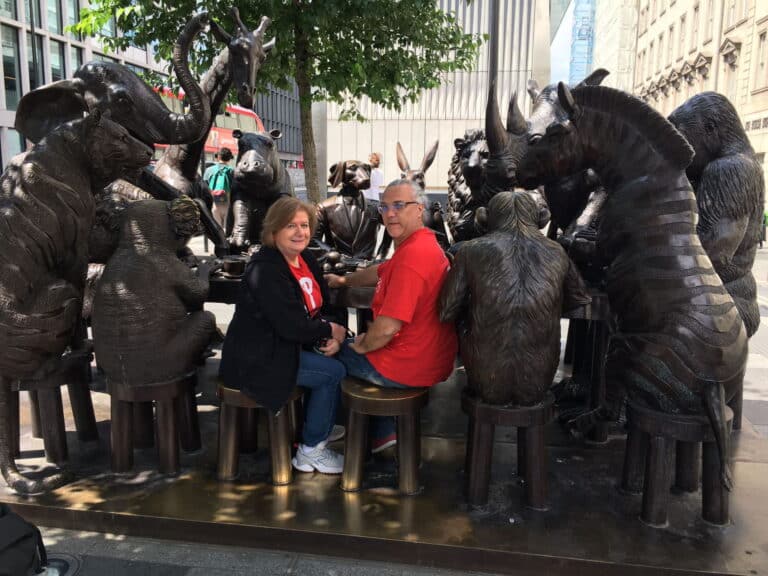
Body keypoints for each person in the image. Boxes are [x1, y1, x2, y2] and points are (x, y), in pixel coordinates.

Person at [326, 179, 458, 452]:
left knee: (328, 353)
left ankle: (322, 434)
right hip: (431, 356)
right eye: (384, 207)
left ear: (419, 209)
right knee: (355, 343)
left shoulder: (412, 259)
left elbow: (386, 329)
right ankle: (382, 432)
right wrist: (344, 281)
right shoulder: (423, 244)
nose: (390, 213)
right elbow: (382, 269)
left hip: (409, 365)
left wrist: (359, 344)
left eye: (399, 205)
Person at [219, 197, 348, 474]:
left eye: (304, 225)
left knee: (346, 352)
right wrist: (329, 330)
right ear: (273, 230)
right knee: (332, 372)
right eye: (291, 226)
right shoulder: (265, 268)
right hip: (259, 357)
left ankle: (320, 422)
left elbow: (326, 305)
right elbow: (290, 325)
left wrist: (335, 334)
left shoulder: (307, 259)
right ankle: (310, 451)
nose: (300, 232)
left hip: (288, 347)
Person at [204, 147, 234, 230]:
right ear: (230, 158)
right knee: (227, 230)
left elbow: (204, 187)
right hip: (228, 204)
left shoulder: (209, 170)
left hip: (214, 204)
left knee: (217, 231)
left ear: (218, 157)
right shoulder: (232, 171)